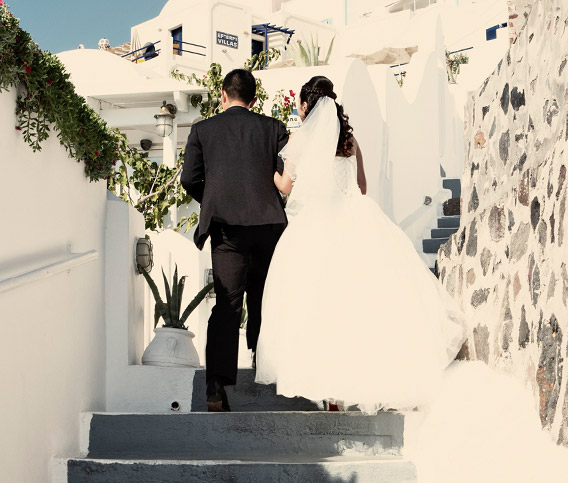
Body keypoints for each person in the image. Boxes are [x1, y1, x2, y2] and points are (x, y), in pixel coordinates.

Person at [255, 76, 465, 411]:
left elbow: (286, 187)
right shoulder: (351, 142)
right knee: (359, 305)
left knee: (317, 306)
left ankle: (330, 392)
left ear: (307, 106)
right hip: (357, 218)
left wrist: (265, 168)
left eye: (299, 106)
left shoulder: (302, 141)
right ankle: (360, 384)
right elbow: (362, 186)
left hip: (317, 224)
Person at [181, 68, 289, 412]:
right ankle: (264, 363)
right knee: (265, 298)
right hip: (269, 224)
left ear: (223, 95)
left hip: (226, 230)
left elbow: (189, 180)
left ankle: (216, 384)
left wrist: (214, 199)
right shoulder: (273, 128)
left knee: (227, 303)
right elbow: (286, 174)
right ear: (254, 100)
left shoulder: (202, 130)